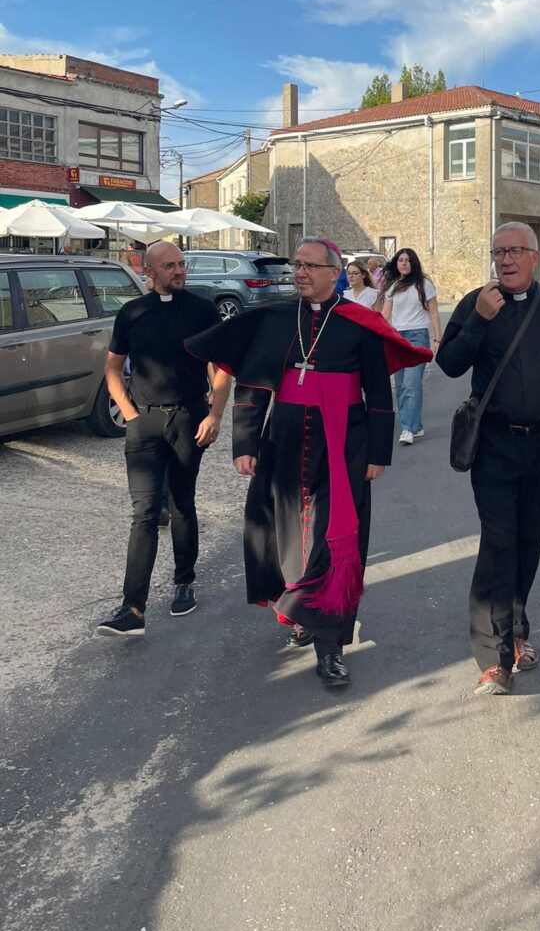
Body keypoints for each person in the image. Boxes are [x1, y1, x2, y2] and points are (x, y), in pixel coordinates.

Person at [186, 237, 432, 688]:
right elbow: (255, 385)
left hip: (344, 443)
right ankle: (300, 609)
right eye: (295, 265)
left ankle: (331, 645)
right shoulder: (278, 319)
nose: (298, 272)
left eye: (307, 266)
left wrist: (378, 453)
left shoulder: (360, 323)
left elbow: (379, 393)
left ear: (332, 271)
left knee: (332, 540)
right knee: (287, 536)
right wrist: (245, 442)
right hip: (284, 440)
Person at [437, 222, 540, 696]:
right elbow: (449, 363)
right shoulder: (476, 302)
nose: (505, 260)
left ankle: (518, 630)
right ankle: (492, 655)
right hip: (494, 442)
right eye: (498, 251)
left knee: (529, 539)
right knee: (499, 540)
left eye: (515, 251)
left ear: (535, 256)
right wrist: (481, 319)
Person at [97, 242, 231, 638]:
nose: (179, 270)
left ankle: (184, 580)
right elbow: (113, 367)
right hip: (145, 424)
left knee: (182, 501)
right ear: (149, 271)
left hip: (189, 418)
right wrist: (131, 413)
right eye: (170, 265)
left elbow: (220, 367)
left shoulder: (202, 309)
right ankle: (132, 608)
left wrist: (216, 414)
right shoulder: (132, 313)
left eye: (181, 264)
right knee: (144, 513)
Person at [379, 247, 442, 445]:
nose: (404, 263)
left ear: (413, 263)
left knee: (411, 384)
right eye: (400, 260)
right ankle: (416, 426)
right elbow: (384, 315)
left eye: (407, 260)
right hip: (396, 339)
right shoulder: (393, 286)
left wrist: (437, 339)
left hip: (417, 336)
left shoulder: (424, 284)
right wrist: (374, 335)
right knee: (400, 386)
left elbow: (433, 312)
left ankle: (407, 428)